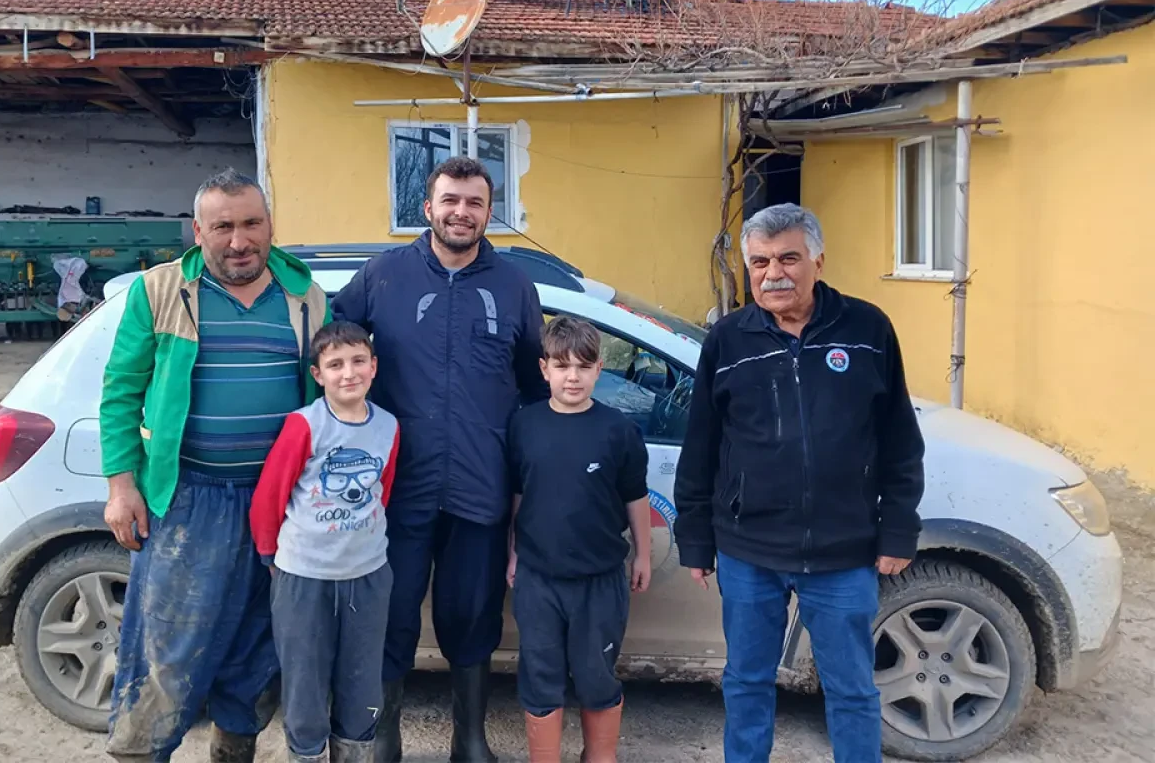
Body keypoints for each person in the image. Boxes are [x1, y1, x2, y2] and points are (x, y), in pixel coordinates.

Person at [673, 202, 926, 763]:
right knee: (746, 682)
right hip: (749, 550)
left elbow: (900, 440)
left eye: (788, 257)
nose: (773, 273)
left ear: (817, 260)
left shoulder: (867, 329)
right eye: (759, 262)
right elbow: (702, 448)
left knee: (853, 690)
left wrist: (898, 530)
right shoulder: (728, 340)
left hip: (842, 551)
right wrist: (695, 538)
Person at [100, 168, 330, 763]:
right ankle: (139, 751)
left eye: (251, 223)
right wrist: (121, 485)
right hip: (188, 498)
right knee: (167, 651)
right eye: (223, 226)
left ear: (270, 225)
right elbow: (121, 390)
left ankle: (233, 752)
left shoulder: (306, 298)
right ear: (198, 229)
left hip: (278, 502)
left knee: (258, 648)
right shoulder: (158, 292)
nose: (239, 240)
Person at [331, 155, 548, 763]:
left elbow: (535, 385)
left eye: (474, 202)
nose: (461, 212)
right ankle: (385, 734)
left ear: (488, 213)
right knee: (392, 611)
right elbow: (332, 347)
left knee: (472, 613)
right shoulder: (383, 276)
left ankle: (470, 737)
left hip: (481, 484)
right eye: (450, 200)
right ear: (426, 208)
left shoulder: (514, 286)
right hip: (397, 486)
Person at [249, 321, 400, 763]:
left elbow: (382, 490)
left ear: (374, 367)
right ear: (318, 375)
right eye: (335, 365)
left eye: (358, 361)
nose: (348, 373)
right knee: (305, 684)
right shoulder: (304, 426)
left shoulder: (389, 427)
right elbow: (271, 495)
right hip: (304, 578)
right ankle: (306, 754)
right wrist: (269, 554)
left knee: (362, 685)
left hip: (368, 576)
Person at [506, 315, 651, 763]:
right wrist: (512, 551)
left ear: (599, 368)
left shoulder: (618, 431)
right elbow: (517, 493)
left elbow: (636, 497)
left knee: (596, 675)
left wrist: (643, 554)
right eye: (562, 366)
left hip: (600, 580)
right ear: (544, 368)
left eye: (583, 367)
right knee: (540, 673)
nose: (573, 377)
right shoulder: (523, 425)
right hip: (538, 578)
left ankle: (600, 756)